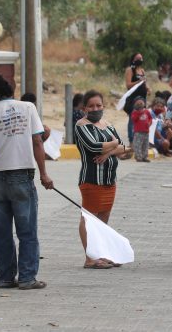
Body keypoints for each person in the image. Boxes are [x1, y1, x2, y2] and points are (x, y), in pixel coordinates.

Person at [0, 73, 54, 290]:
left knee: (2, 231)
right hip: (22, 176)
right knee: (27, 231)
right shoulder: (28, 108)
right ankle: (26, 278)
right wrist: (44, 174)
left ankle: (5, 278)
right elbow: (37, 141)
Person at [74, 90, 131, 269]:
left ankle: (102, 254)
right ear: (84, 108)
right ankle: (90, 258)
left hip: (109, 180)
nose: (95, 108)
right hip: (91, 180)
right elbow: (93, 146)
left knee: (103, 219)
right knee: (89, 219)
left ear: (103, 106)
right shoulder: (81, 125)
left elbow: (123, 146)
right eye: (91, 106)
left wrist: (109, 153)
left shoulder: (106, 124)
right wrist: (113, 145)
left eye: (98, 105)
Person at [124, 53, 148, 145]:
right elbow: (128, 85)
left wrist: (147, 88)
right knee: (133, 118)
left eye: (141, 58)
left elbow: (144, 84)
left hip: (143, 98)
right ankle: (131, 140)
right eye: (138, 58)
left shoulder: (142, 70)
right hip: (133, 98)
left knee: (141, 119)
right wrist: (138, 81)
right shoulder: (130, 70)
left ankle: (139, 141)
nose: (140, 59)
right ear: (133, 59)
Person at [130, 97, 152, 162]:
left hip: (146, 131)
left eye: (141, 103)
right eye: (138, 103)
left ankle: (145, 157)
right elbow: (134, 119)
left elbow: (150, 118)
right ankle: (138, 157)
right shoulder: (134, 112)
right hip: (138, 132)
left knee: (145, 145)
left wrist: (149, 123)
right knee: (138, 145)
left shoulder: (147, 111)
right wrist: (139, 112)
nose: (140, 104)